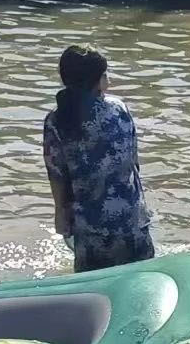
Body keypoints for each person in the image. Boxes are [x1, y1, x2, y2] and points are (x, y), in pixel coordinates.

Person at [42, 45, 154, 272]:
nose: (108, 80)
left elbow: (57, 174)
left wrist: (60, 214)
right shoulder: (118, 109)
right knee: (142, 278)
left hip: (91, 228)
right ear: (98, 81)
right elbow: (133, 161)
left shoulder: (57, 121)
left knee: (94, 286)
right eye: (105, 75)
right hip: (132, 221)